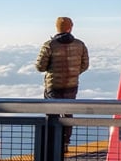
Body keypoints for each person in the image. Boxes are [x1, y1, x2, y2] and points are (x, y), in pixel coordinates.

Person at [35, 16, 89, 148]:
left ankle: (51, 143)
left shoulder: (49, 45)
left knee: (51, 114)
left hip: (53, 86)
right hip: (71, 85)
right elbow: (85, 65)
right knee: (67, 113)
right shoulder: (80, 44)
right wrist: (73, 74)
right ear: (70, 28)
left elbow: (40, 67)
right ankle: (65, 143)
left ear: (57, 28)